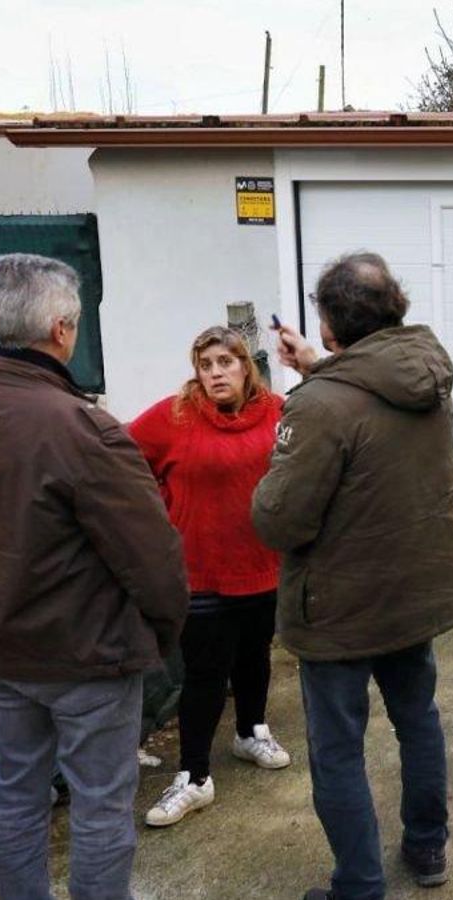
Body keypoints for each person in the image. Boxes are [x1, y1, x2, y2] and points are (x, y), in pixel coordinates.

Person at [0, 253, 189, 900]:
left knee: (14, 791)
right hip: (88, 660)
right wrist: (162, 633)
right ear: (62, 329)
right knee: (99, 807)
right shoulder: (85, 429)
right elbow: (155, 563)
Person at [252, 252, 453, 900]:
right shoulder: (426, 377)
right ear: (394, 308)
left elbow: (279, 522)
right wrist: (315, 368)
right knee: (418, 721)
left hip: (343, 610)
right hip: (416, 594)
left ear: (328, 323)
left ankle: (359, 886)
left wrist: (281, 447)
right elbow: (367, 397)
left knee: (338, 750)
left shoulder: (320, 408)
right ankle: (427, 848)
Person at [127, 326, 292, 828]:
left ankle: (250, 731)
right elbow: (121, 458)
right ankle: (195, 776)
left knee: (255, 654)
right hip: (199, 573)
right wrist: (157, 514)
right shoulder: (173, 416)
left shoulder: (279, 413)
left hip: (262, 563)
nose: (216, 373)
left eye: (225, 362)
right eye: (206, 365)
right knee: (204, 673)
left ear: (246, 366)